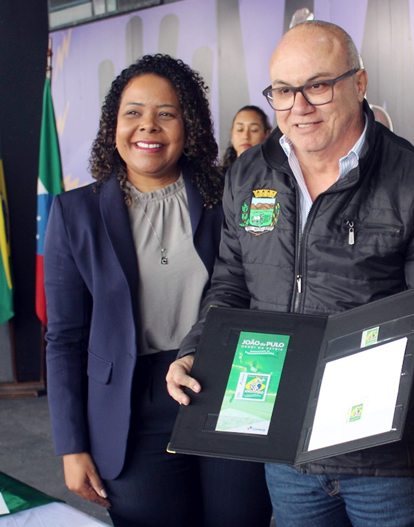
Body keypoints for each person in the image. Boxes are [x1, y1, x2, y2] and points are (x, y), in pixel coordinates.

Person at [167, 20, 414, 527]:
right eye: (283, 91)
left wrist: (350, 405)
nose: (299, 106)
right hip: (288, 455)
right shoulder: (249, 174)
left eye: (317, 86)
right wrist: (199, 349)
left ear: (359, 83)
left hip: (389, 463)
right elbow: (231, 283)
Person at [44, 54, 271, 527]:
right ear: (114, 125)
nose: (148, 125)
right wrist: (71, 446)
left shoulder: (225, 198)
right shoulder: (75, 214)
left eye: (166, 113)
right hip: (132, 407)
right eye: (133, 112)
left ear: (189, 128)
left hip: (229, 386)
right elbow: (64, 339)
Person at [220, 104, 271, 171]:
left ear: (266, 135)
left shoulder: (275, 175)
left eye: (254, 130)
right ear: (231, 134)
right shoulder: (220, 174)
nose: (245, 136)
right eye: (240, 129)